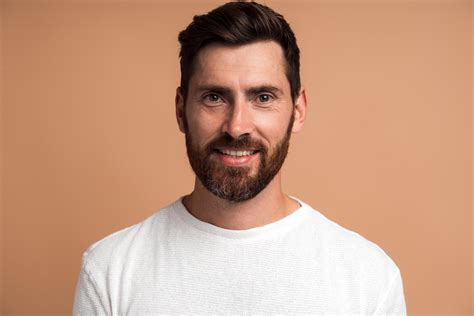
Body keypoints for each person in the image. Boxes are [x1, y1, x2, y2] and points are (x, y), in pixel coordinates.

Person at [73, 1, 406, 314]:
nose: (237, 127)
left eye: (262, 97)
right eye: (215, 97)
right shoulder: (109, 271)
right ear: (180, 110)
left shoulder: (368, 277)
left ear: (298, 109)